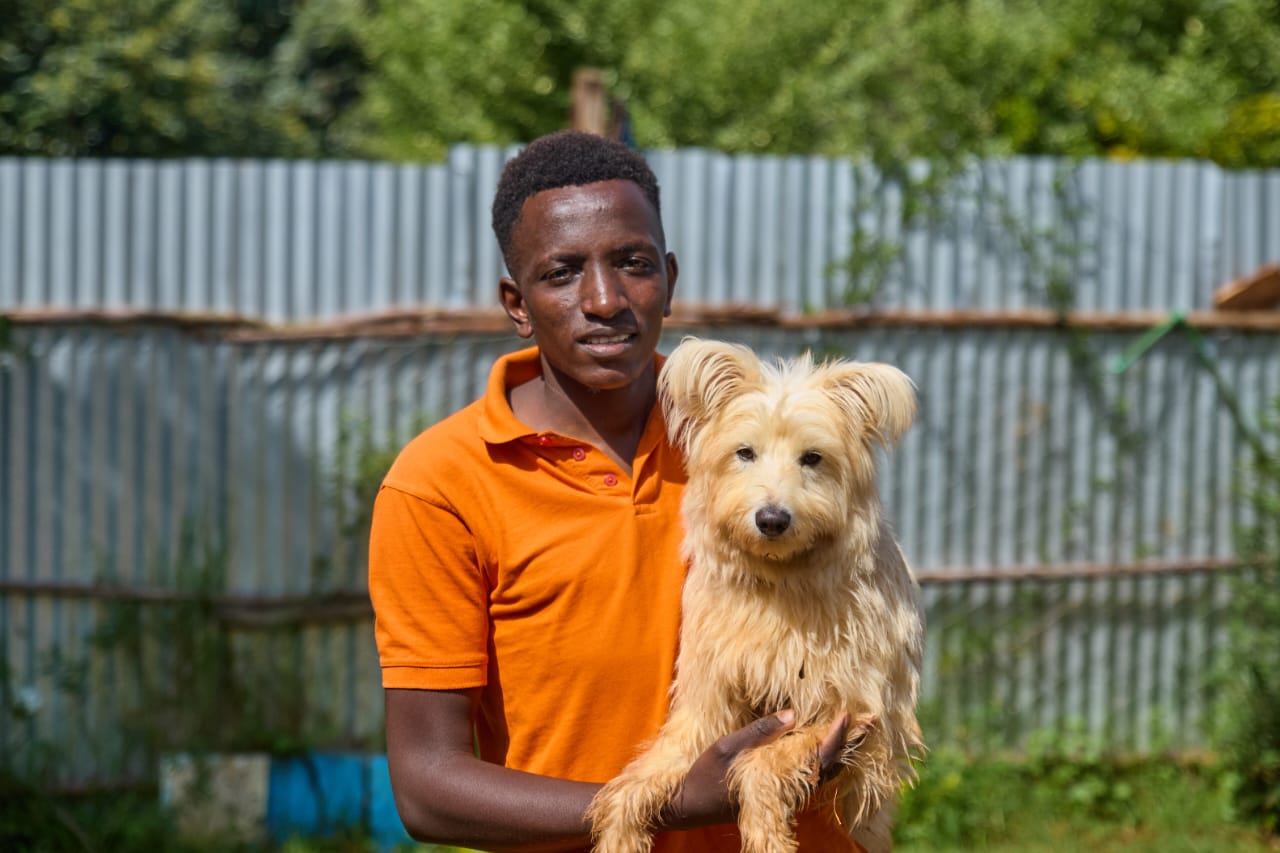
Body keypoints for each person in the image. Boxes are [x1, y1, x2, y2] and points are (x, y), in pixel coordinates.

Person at [368, 130, 865, 852]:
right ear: (516, 303)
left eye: (633, 264)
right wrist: (664, 805)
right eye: (562, 272)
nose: (604, 300)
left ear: (669, 277)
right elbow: (427, 787)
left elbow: (865, 631)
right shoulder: (442, 482)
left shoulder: (757, 435)